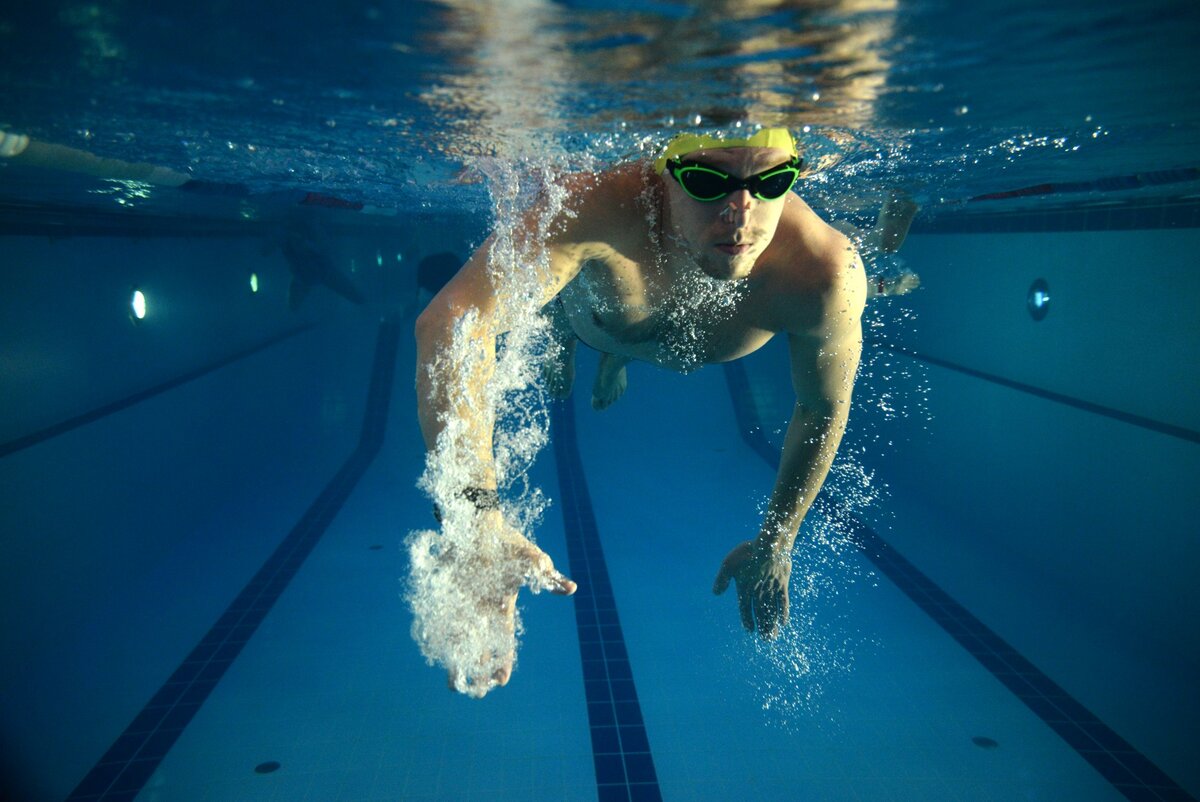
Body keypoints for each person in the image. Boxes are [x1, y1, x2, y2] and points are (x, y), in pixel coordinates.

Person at [414, 127, 884, 696]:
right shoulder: (595, 207)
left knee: (616, 341)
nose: (741, 211)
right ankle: (594, 350)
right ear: (665, 172)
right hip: (590, 316)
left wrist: (778, 541)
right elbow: (452, 324)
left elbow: (820, 408)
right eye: (710, 181)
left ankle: (614, 358)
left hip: (638, 330)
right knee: (563, 339)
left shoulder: (825, 272)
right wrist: (473, 520)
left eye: (771, 181)